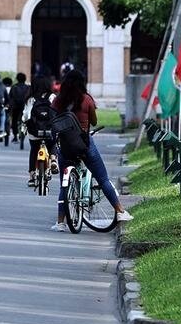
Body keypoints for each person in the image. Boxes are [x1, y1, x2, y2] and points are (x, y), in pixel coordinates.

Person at [50, 70, 132, 230]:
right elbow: (94, 122)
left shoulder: (58, 101)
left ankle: (60, 222)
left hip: (66, 147)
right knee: (103, 179)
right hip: (84, 145)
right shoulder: (86, 99)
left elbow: (52, 120)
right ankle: (120, 210)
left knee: (63, 187)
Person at [25, 74, 56, 187]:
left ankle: (32, 176)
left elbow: (26, 115)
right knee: (52, 144)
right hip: (49, 131)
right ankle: (53, 160)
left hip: (34, 132)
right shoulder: (52, 97)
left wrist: (25, 123)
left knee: (34, 150)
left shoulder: (31, 98)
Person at [8, 72, 30, 142]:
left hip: (15, 107)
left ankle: (15, 136)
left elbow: (10, 98)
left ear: (17, 79)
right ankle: (24, 131)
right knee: (27, 120)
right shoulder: (28, 88)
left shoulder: (14, 87)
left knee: (14, 121)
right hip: (25, 107)